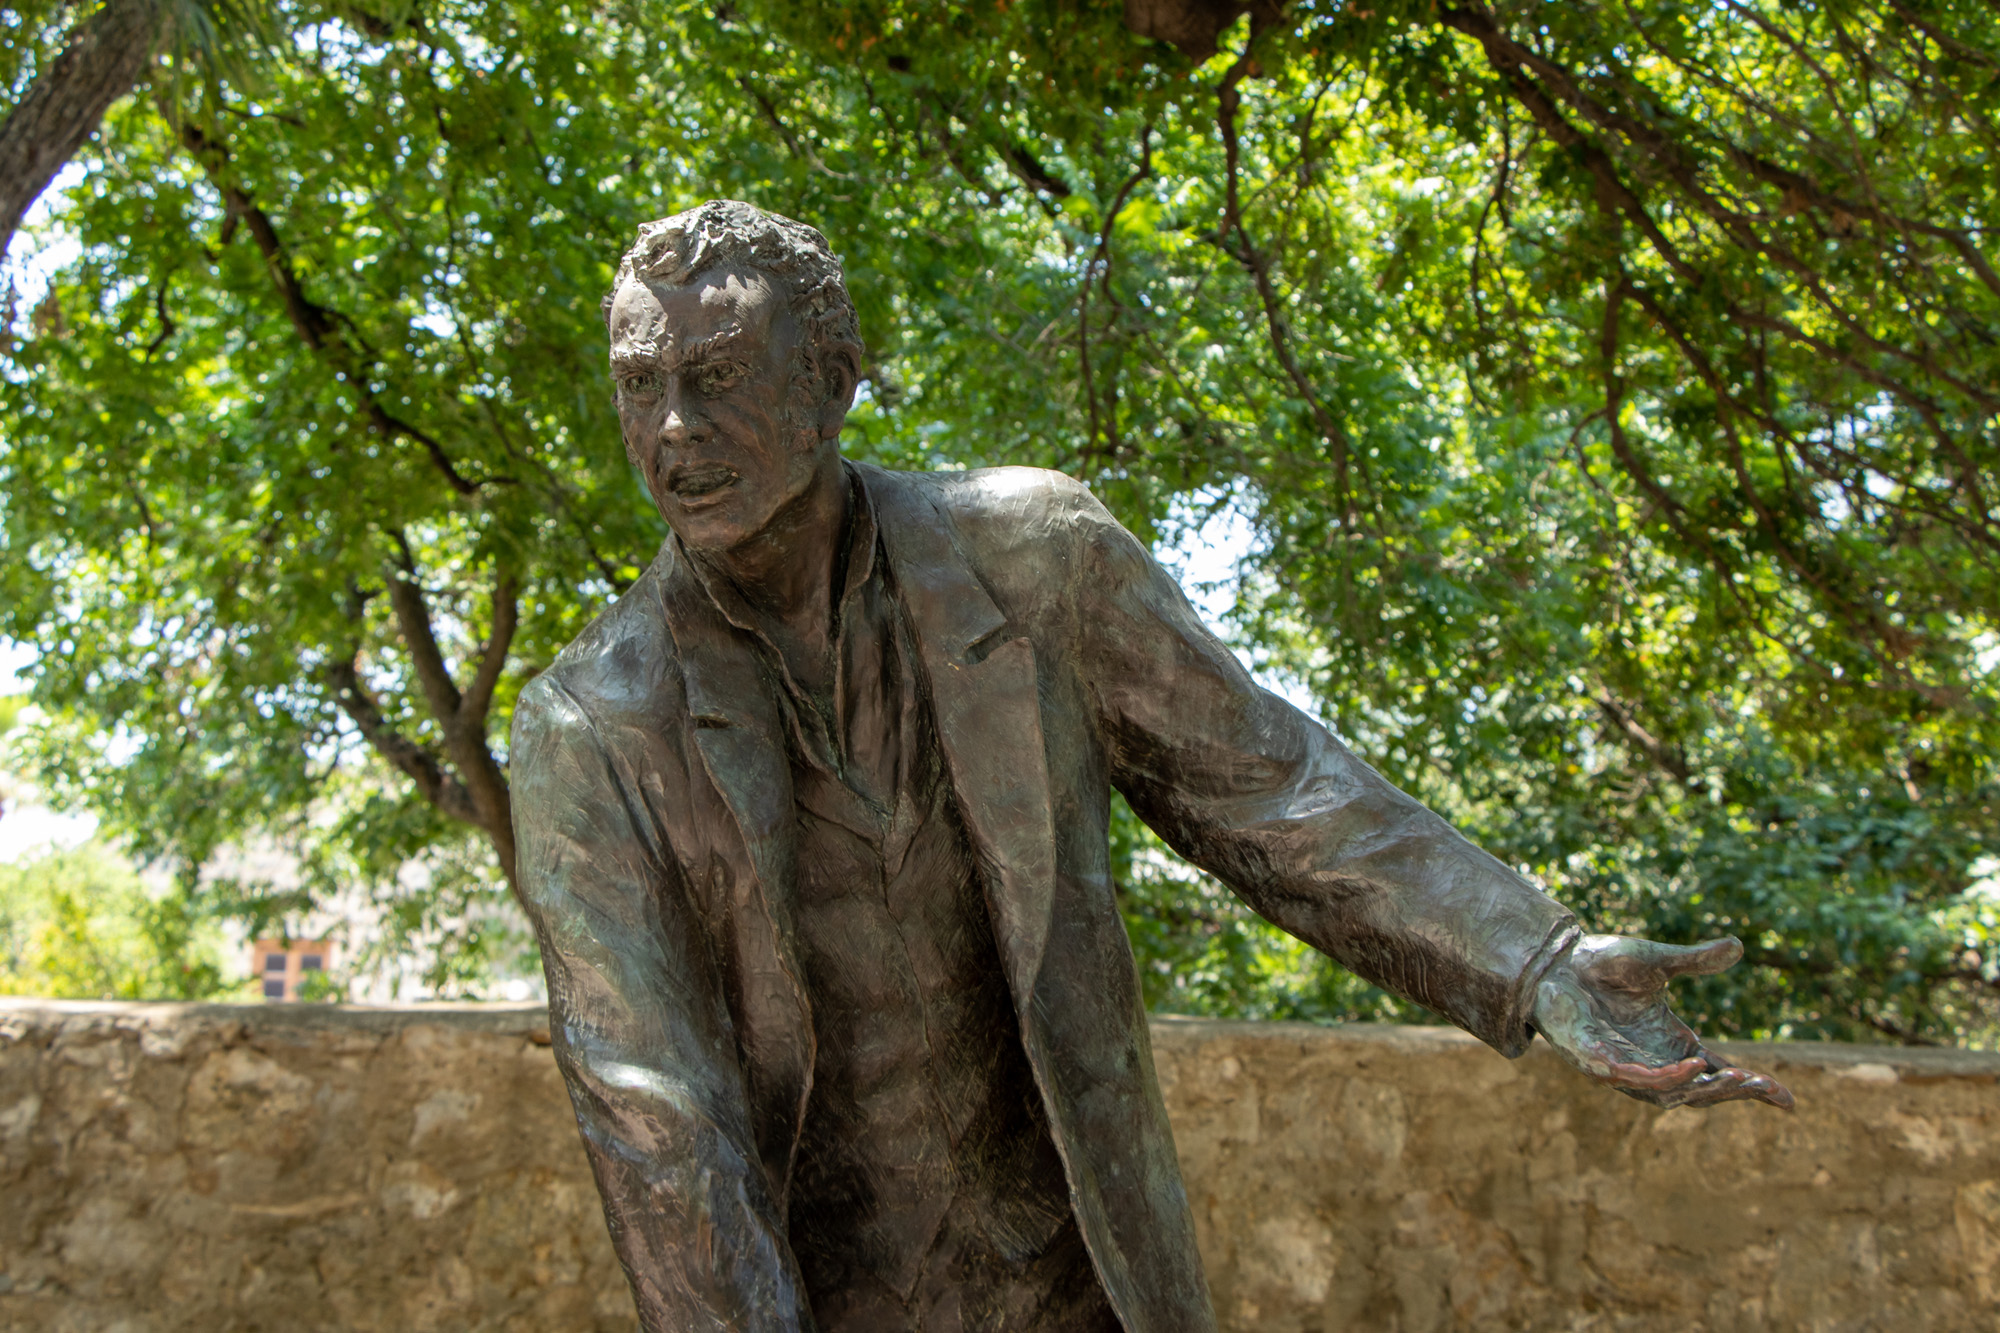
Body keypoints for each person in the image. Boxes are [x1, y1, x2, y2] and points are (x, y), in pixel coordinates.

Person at [510, 200, 1791, 1333]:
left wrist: (1536, 959)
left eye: (717, 376)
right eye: (639, 384)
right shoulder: (594, 725)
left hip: (1087, 1275)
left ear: (832, 381)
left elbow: (1270, 787)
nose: (673, 428)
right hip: (820, 1293)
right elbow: (657, 1118)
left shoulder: (1034, 557)